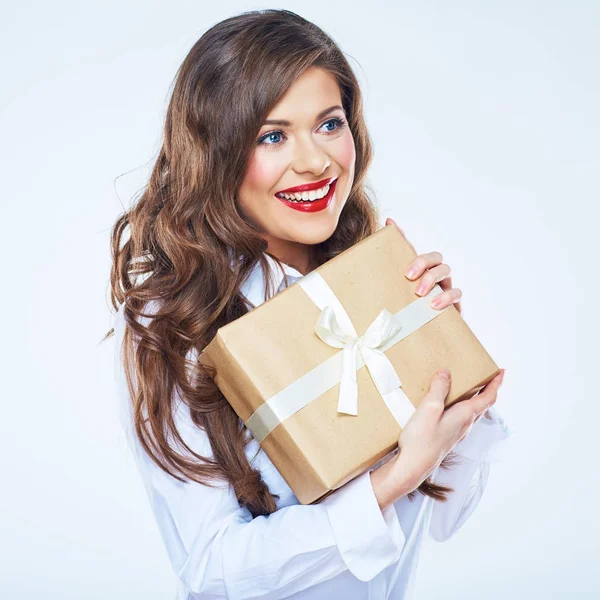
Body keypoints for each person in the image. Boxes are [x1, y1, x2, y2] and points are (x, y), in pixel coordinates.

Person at [106, 9, 510, 599]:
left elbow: (448, 516)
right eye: (272, 136)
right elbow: (215, 572)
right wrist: (390, 482)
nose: (317, 161)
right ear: (215, 152)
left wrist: (453, 375)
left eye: (329, 124)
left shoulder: (373, 274)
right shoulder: (171, 321)